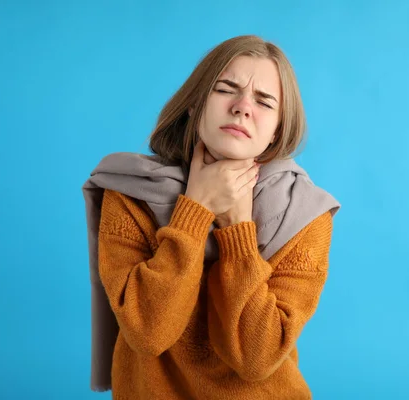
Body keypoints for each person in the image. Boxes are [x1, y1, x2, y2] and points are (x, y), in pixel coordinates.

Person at [82, 34, 341, 399]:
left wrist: (237, 230)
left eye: (264, 102)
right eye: (225, 89)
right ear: (195, 104)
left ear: (276, 132)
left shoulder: (304, 216)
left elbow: (256, 359)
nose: (242, 108)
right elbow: (147, 332)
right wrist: (195, 210)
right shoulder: (130, 194)